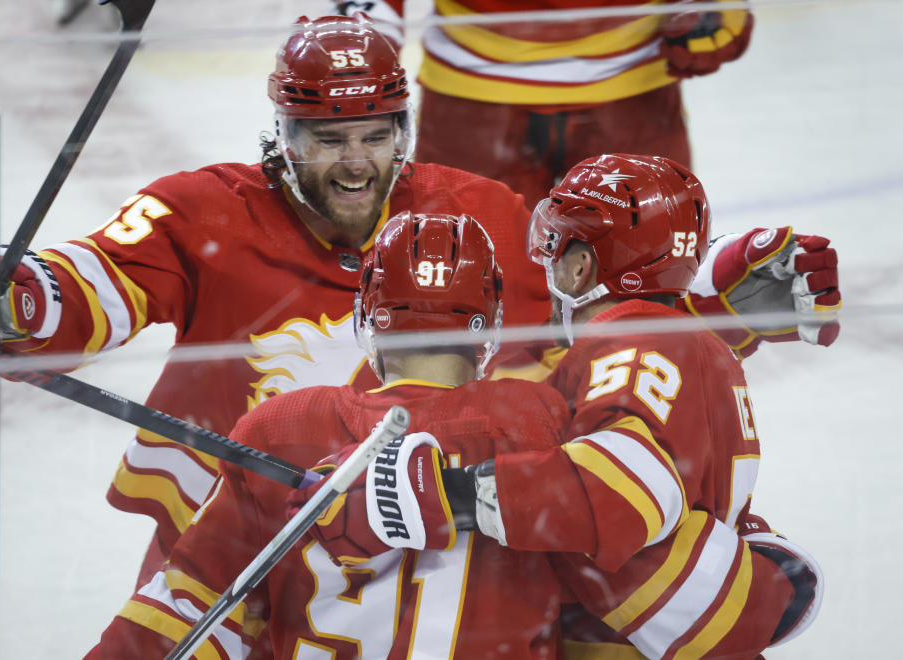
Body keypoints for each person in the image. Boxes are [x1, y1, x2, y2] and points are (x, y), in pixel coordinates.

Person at [0, 15, 838, 591]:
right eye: (328, 141)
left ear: (406, 128)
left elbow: (578, 359)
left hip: (425, 547)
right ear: (282, 138)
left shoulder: (484, 211)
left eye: (377, 136)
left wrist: (710, 318)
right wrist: (16, 300)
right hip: (237, 544)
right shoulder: (203, 209)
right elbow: (91, 285)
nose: (356, 165)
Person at [87, 212, 817, 660]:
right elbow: (696, 603)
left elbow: (189, 604)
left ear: (367, 321)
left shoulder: (281, 427)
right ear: (491, 329)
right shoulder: (544, 425)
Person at [294, 156, 823, 659]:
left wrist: (441, 494)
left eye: (558, 248)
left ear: (582, 268)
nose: (548, 269)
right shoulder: (693, 344)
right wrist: (771, 580)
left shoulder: (631, 340)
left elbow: (621, 489)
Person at [331, 0, 754, 202]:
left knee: (644, 262)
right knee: (465, 266)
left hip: (632, 91)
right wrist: (366, 38)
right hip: (477, 97)